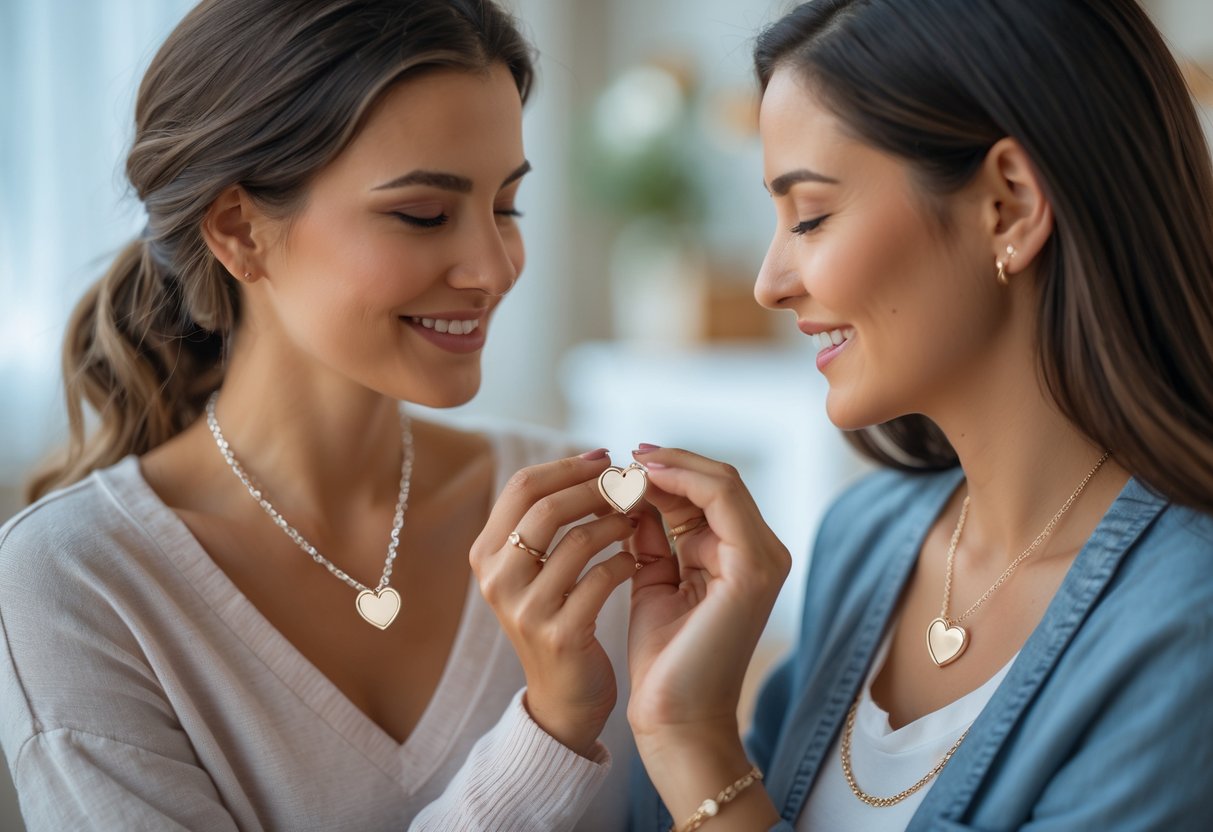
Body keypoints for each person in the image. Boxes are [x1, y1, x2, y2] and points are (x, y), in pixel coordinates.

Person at [0, 1, 638, 829]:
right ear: (240, 231)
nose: (492, 267)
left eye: (506, 207)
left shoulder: (578, 515)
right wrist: (549, 733)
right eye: (422, 214)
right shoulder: (73, 579)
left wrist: (701, 708)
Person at [609, 0, 1213, 830]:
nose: (769, 281)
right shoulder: (863, 536)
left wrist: (696, 745)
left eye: (810, 216)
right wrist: (608, 705)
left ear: (1008, 204)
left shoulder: (1185, 622)